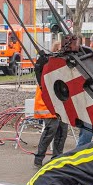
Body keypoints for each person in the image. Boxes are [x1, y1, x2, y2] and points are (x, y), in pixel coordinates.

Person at [33, 38, 69, 167]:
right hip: (47, 104)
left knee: (62, 131)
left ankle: (57, 158)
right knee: (51, 130)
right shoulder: (47, 63)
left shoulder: (65, 64)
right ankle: (39, 158)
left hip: (60, 105)